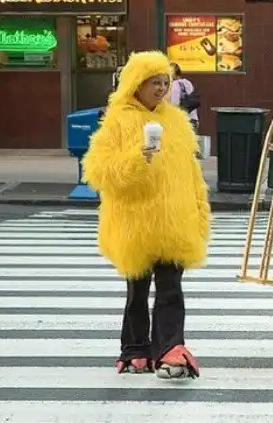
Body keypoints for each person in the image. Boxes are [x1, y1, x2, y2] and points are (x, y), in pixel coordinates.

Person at [82, 51, 210, 379]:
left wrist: (199, 212)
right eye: (154, 82)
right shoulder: (117, 121)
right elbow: (98, 171)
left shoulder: (177, 121)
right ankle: (135, 349)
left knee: (171, 289)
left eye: (165, 82)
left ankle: (170, 350)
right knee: (136, 292)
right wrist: (140, 158)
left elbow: (192, 173)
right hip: (134, 222)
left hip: (174, 222)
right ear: (136, 84)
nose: (161, 88)